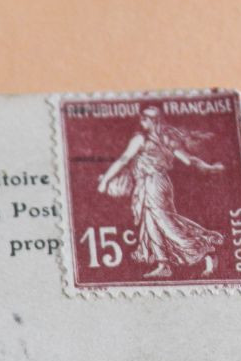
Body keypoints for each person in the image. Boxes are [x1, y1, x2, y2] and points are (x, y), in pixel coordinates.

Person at [96, 104, 227, 279]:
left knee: (165, 223)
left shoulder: (141, 140)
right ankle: (163, 263)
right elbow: (188, 160)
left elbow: (123, 160)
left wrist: (105, 180)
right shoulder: (167, 140)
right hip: (161, 183)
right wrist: (208, 167)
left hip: (152, 183)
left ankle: (204, 251)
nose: (141, 120)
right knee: (153, 222)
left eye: (145, 118)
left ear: (153, 121)